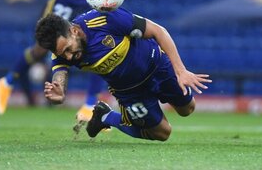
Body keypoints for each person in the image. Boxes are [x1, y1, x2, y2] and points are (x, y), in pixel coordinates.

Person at [35, 8, 211, 141]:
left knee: (187, 109)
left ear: (74, 31)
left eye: (68, 49)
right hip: (130, 92)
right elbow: (60, 75)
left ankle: (108, 115)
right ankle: (106, 116)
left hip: (158, 66)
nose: (68, 56)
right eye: (62, 54)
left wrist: (181, 71)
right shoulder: (62, 54)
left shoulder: (105, 20)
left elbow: (158, 31)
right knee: (163, 134)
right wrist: (60, 91)